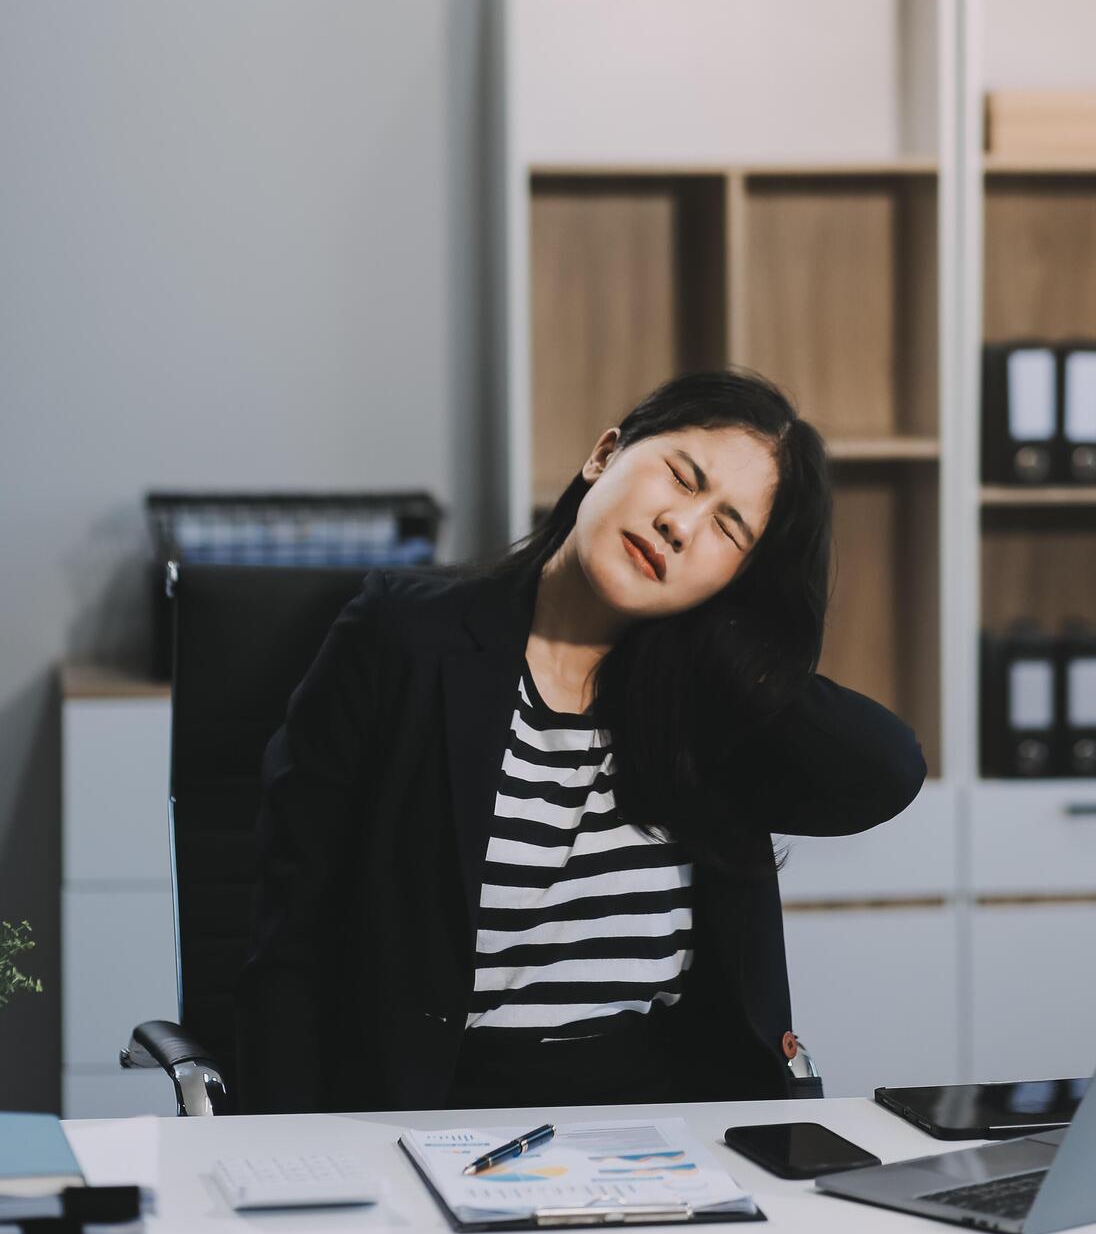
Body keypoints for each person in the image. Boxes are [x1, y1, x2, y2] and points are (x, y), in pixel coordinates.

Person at [234, 369, 926, 1113]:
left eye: (729, 530)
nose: (681, 527)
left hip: (673, 1127)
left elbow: (885, 771)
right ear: (604, 454)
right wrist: (288, 1155)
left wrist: (736, 644)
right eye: (682, 479)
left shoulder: (706, 706)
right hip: (435, 1114)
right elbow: (292, 935)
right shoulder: (405, 637)